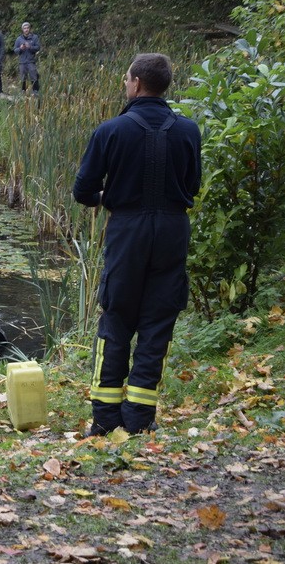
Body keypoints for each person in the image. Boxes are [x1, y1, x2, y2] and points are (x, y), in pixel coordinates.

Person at [72, 53, 202, 435]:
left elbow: (83, 190)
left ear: (136, 83)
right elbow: (192, 186)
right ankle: (140, 420)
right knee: (158, 322)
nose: (126, 84)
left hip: (128, 230)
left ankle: (105, 419)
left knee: (116, 318)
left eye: (127, 79)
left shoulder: (111, 130)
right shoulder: (189, 130)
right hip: (173, 230)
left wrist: (107, 197)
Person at [13, 21, 41, 93]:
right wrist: (20, 48)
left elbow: (38, 47)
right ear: (22, 29)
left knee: (34, 77)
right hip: (22, 62)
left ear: (29, 29)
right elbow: (15, 50)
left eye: (27, 28)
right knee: (23, 78)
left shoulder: (34, 37)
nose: (26, 29)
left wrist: (30, 47)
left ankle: (36, 92)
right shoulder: (19, 39)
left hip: (31, 61)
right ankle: (23, 92)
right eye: (24, 28)